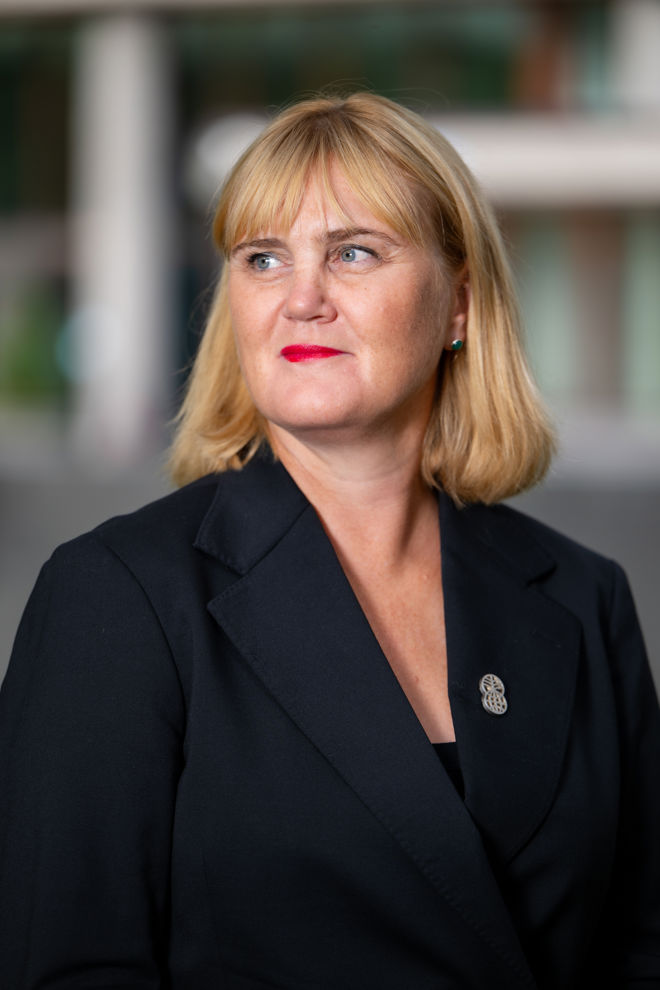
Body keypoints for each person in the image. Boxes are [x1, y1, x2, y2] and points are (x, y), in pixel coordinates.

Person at [1, 92, 658, 990]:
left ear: (459, 304)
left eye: (353, 252)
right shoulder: (116, 596)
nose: (302, 298)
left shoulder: (585, 599)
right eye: (263, 258)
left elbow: (639, 951)